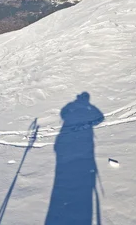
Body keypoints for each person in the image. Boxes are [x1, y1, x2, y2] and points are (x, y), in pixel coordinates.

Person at [46, 92, 104, 225]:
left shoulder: (71, 106)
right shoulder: (82, 107)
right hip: (80, 142)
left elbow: (63, 113)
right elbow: (100, 117)